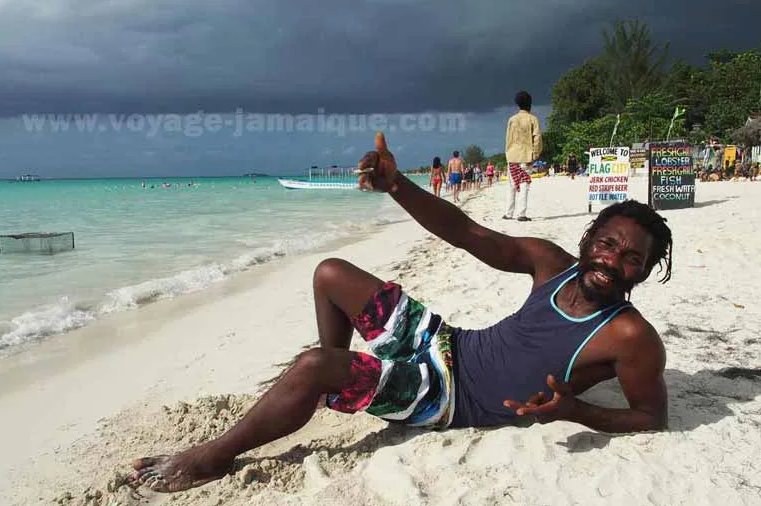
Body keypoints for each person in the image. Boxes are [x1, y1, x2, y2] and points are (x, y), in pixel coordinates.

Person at [125, 134, 672, 494]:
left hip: (451, 399)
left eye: (632, 259)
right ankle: (328, 382)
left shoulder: (630, 336)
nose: (612, 262)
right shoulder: (551, 265)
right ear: (588, 239)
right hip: (448, 345)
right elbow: (467, 234)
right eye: (606, 244)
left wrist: (575, 411)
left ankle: (213, 456)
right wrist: (395, 185)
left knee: (314, 366)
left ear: (644, 273)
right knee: (330, 273)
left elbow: (652, 418)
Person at [504, 91, 542, 221]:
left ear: (518, 104)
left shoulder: (512, 120)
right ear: (530, 104)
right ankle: (521, 214)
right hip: (526, 156)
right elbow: (537, 138)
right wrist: (535, 155)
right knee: (524, 185)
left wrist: (508, 155)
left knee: (512, 186)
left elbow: (508, 140)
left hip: (512, 156)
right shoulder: (533, 119)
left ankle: (509, 213)